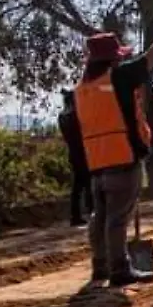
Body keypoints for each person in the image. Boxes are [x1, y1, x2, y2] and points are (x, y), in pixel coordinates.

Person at [74, 16, 153, 287]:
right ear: (113, 59)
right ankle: (120, 269)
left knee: (100, 217)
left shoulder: (82, 89)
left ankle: (100, 268)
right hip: (123, 157)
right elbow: (152, 55)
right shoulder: (119, 76)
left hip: (96, 163)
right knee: (118, 218)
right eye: (118, 57)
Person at [56, 90, 93, 227]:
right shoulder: (76, 115)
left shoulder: (62, 116)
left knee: (77, 185)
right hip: (83, 151)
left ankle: (75, 215)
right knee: (89, 184)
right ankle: (91, 211)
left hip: (73, 152)